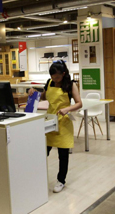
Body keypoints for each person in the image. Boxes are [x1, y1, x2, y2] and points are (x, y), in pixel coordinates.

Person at [28, 60, 82, 193]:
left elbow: (79, 103)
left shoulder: (70, 85)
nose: (55, 79)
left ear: (63, 74)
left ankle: (61, 180)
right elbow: (43, 97)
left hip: (63, 122)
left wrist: (67, 109)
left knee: (63, 154)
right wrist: (33, 92)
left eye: (57, 77)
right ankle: (36, 175)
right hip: (50, 121)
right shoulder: (49, 83)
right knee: (43, 151)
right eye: (52, 77)